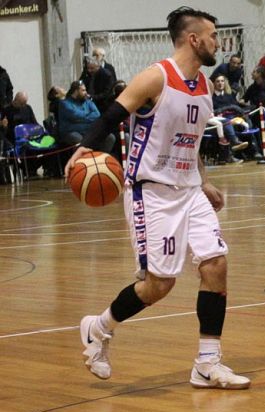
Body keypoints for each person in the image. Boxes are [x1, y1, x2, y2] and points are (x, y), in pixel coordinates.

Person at [63, 7, 250, 390]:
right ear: (193, 39)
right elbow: (112, 115)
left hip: (189, 190)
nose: (218, 42)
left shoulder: (203, 85)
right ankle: (98, 328)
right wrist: (84, 149)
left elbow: (190, 141)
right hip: (152, 193)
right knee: (159, 285)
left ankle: (207, 363)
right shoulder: (156, 76)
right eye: (213, 35)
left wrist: (204, 181)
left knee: (216, 265)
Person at [57, 81, 115, 152]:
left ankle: (100, 157)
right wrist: (89, 114)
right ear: (76, 91)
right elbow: (76, 116)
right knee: (81, 141)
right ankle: (84, 158)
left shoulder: (87, 101)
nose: (86, 93)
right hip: (71, 131)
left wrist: (82, 118)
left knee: (110, 137)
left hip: (88, 130)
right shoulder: (65, 103)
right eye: (83, 90)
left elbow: (97, 115)